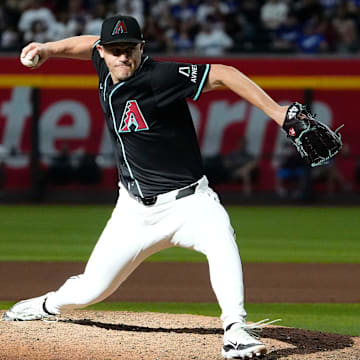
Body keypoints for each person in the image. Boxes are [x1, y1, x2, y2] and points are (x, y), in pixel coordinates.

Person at [3, 15, 289, 359]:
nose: (123, 57)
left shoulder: (160, 76)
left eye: (130, 49)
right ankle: (45, 304)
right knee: (92, 289)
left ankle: (235, 330)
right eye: (115, 50)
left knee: (221, 240)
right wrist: (49, 48)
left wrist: (277, 113)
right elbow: (86, 44)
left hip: (189, 202)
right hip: (134, 210)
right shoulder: (103, 59)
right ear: (104, 52)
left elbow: (224, 73)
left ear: (142, 48)